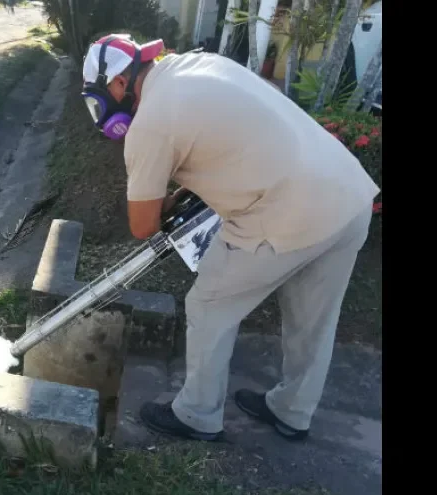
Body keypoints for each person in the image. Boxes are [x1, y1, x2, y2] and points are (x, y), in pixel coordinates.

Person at [81, 34, 379, 442]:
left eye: (98, 96)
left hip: (285, 211)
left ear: (116, 82)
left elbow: (142, 226)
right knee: (314, 321)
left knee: (208, 305)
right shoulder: (200, 64)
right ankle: (292, 411)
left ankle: (196, 414)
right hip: (348, 197)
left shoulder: (151, 121)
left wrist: (163, 202)